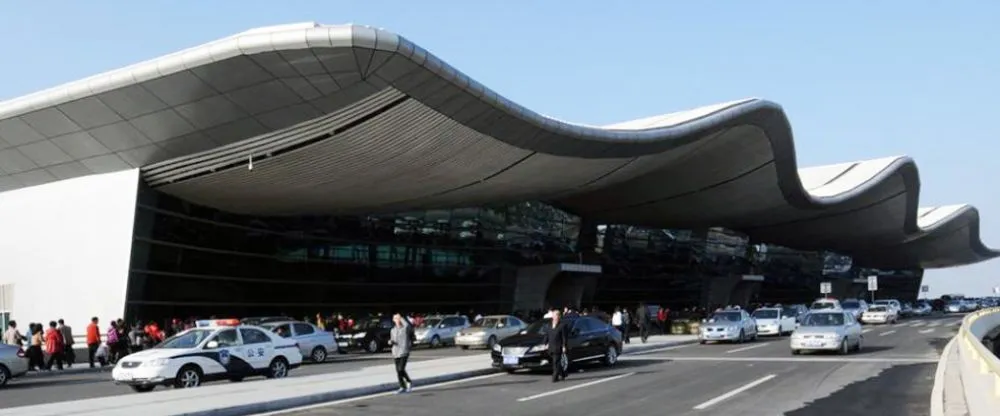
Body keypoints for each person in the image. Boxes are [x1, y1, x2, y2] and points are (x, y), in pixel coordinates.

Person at [388, 313, 413, 394]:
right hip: (395, 352)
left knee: (401, 369)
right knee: (398, 371)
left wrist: (401, 318)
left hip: (404, 351)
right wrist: (390, 342)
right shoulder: (393, 330)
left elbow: (407, 325)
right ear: (393, 320)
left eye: (398, 318)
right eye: (395, 318)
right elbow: (391, 339)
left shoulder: (405, 328)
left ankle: (409, 381)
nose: (397, 320)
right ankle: (402, 386)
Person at [543, 308, 569, 382]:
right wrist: (545, 343)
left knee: (556, 362)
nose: (556, 316)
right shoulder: (549, 325)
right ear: (552, 316)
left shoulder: (562, 325)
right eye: (555, 315)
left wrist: (564, 346)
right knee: (556, 362)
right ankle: (563, 373)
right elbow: (547, 335)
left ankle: (555, 377)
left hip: (558, 346)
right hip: (551, 347)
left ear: (559, 316)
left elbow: (564, 337)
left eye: (557, 315)